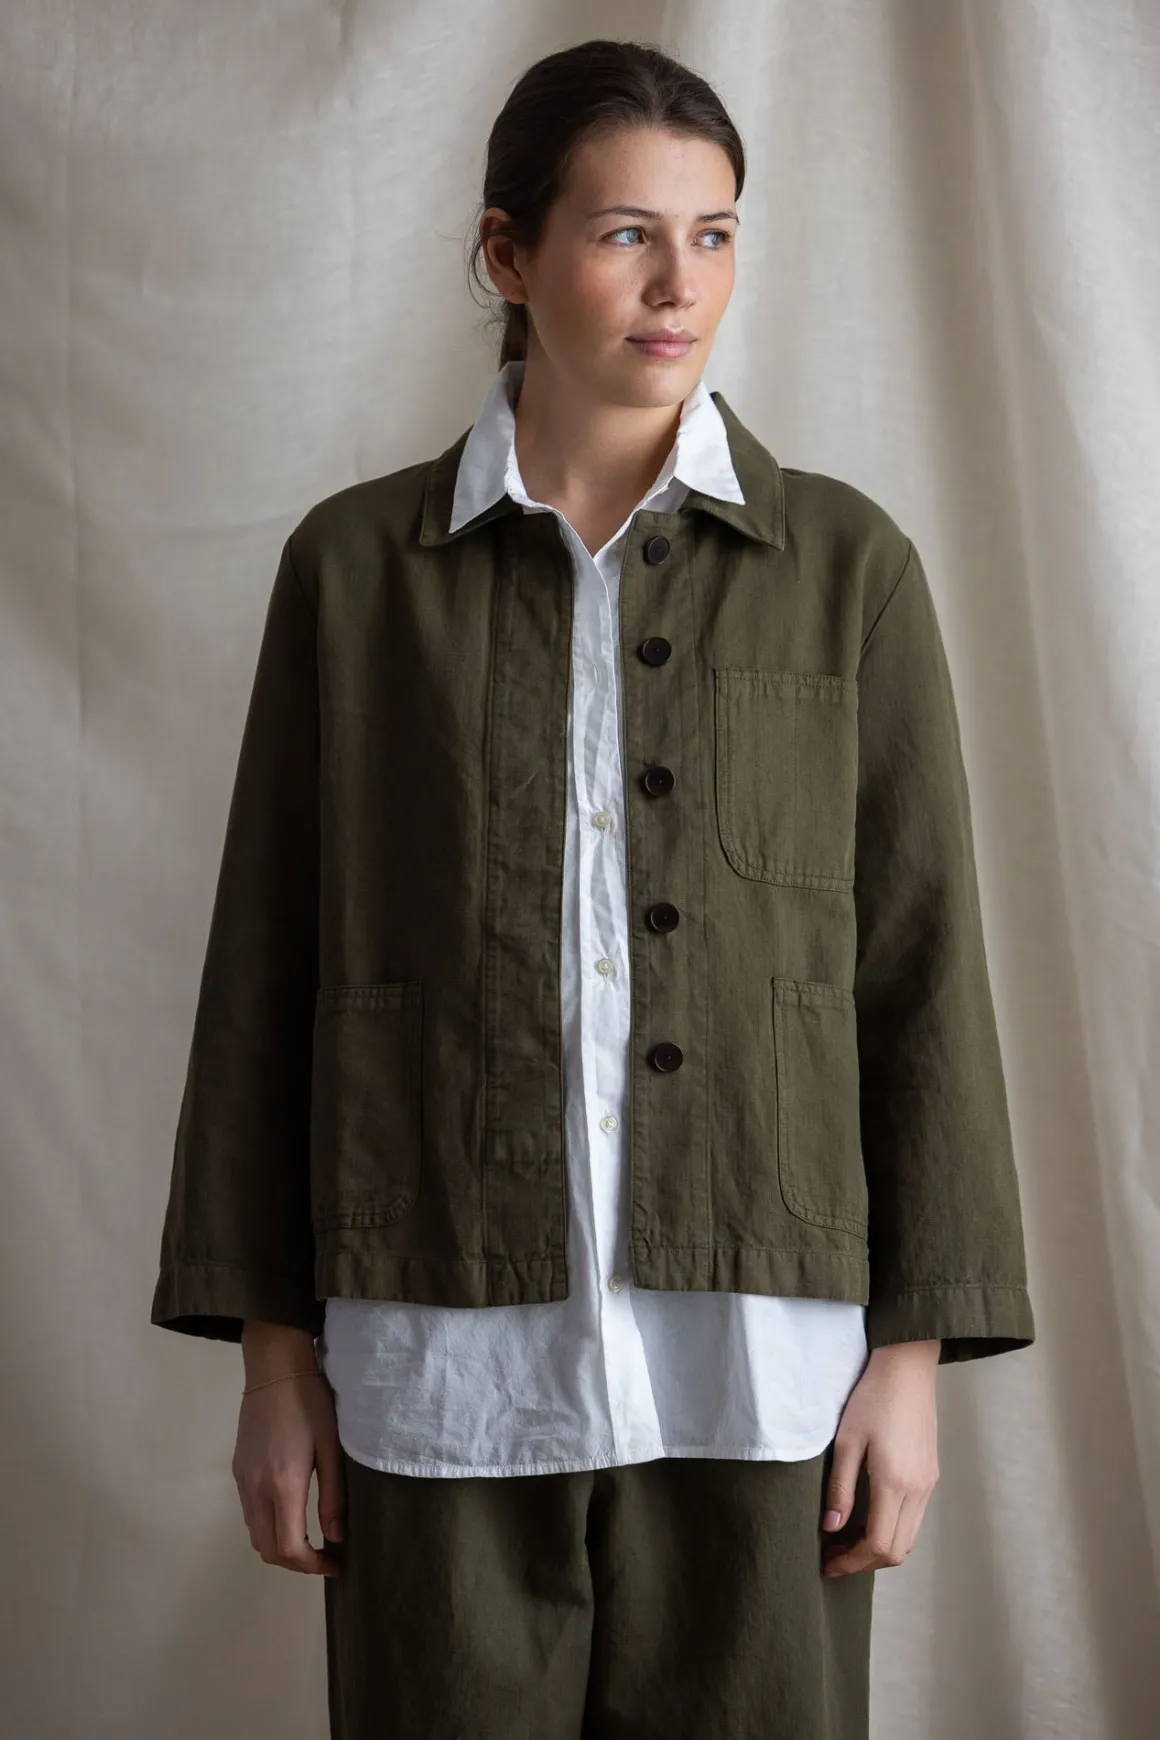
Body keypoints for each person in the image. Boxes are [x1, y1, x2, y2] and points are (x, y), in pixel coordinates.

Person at [150, 36, 1035, 1740]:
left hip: (764, 1368)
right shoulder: (355, 573)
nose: (678, 284)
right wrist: (275, 1362)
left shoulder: (847, 569)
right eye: (627, 233)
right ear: (507, 253)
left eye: (714, 235)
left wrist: (911, 1363)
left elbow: (921, 975)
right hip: (439, 1359)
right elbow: (268, 971)